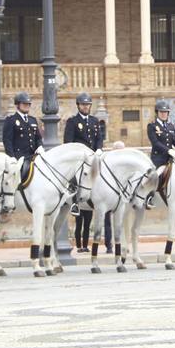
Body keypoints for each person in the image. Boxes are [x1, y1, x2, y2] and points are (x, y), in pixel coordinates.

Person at [65, 92, 104, 251]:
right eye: (83, 104)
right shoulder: (73, 122)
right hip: (79, 159)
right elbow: (68, 141)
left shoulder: (95, 121)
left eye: (88, 104)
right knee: (75, 179)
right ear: (78, 106)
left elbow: (99, 138)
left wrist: (99, 149)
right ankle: (74, 202)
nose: (86, 107)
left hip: (93, 158)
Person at [146, 100, 175, 209]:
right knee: (155, 175)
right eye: (161, 112)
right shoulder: (152, 125)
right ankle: (149, 197)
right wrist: (169, 150)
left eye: (166, 112)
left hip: (170, 158)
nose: (164, 114)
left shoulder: (171, 126)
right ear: (157, 112)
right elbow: (155, 143)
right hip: (159, 159)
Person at [3, 92, 42, 183]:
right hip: (19, 158)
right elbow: (7, 141)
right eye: (24, 104)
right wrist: (12, 158)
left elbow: (38, 138)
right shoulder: (11, 120)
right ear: (17, 105)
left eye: (28, 104)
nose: (26, 106)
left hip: (33, 157)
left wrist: (40, 147)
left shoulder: (33, 120)